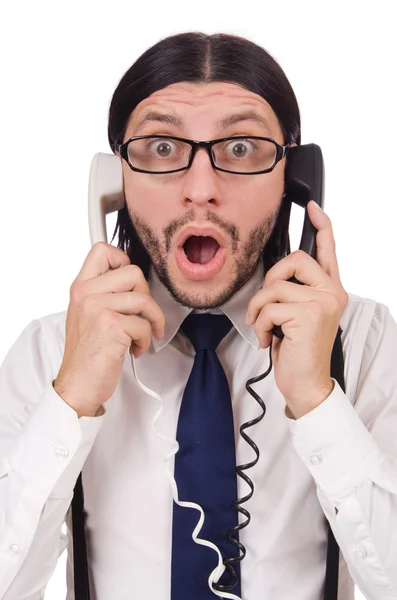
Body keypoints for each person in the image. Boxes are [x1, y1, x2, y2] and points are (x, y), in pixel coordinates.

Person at [0, 31, 396, 600]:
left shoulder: (365, 340)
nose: (201, 189)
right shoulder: (48, 352)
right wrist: (71, 401)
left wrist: (317, 398)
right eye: (162, 147)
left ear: (295, 176)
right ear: (114, 181)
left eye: (241, 147)